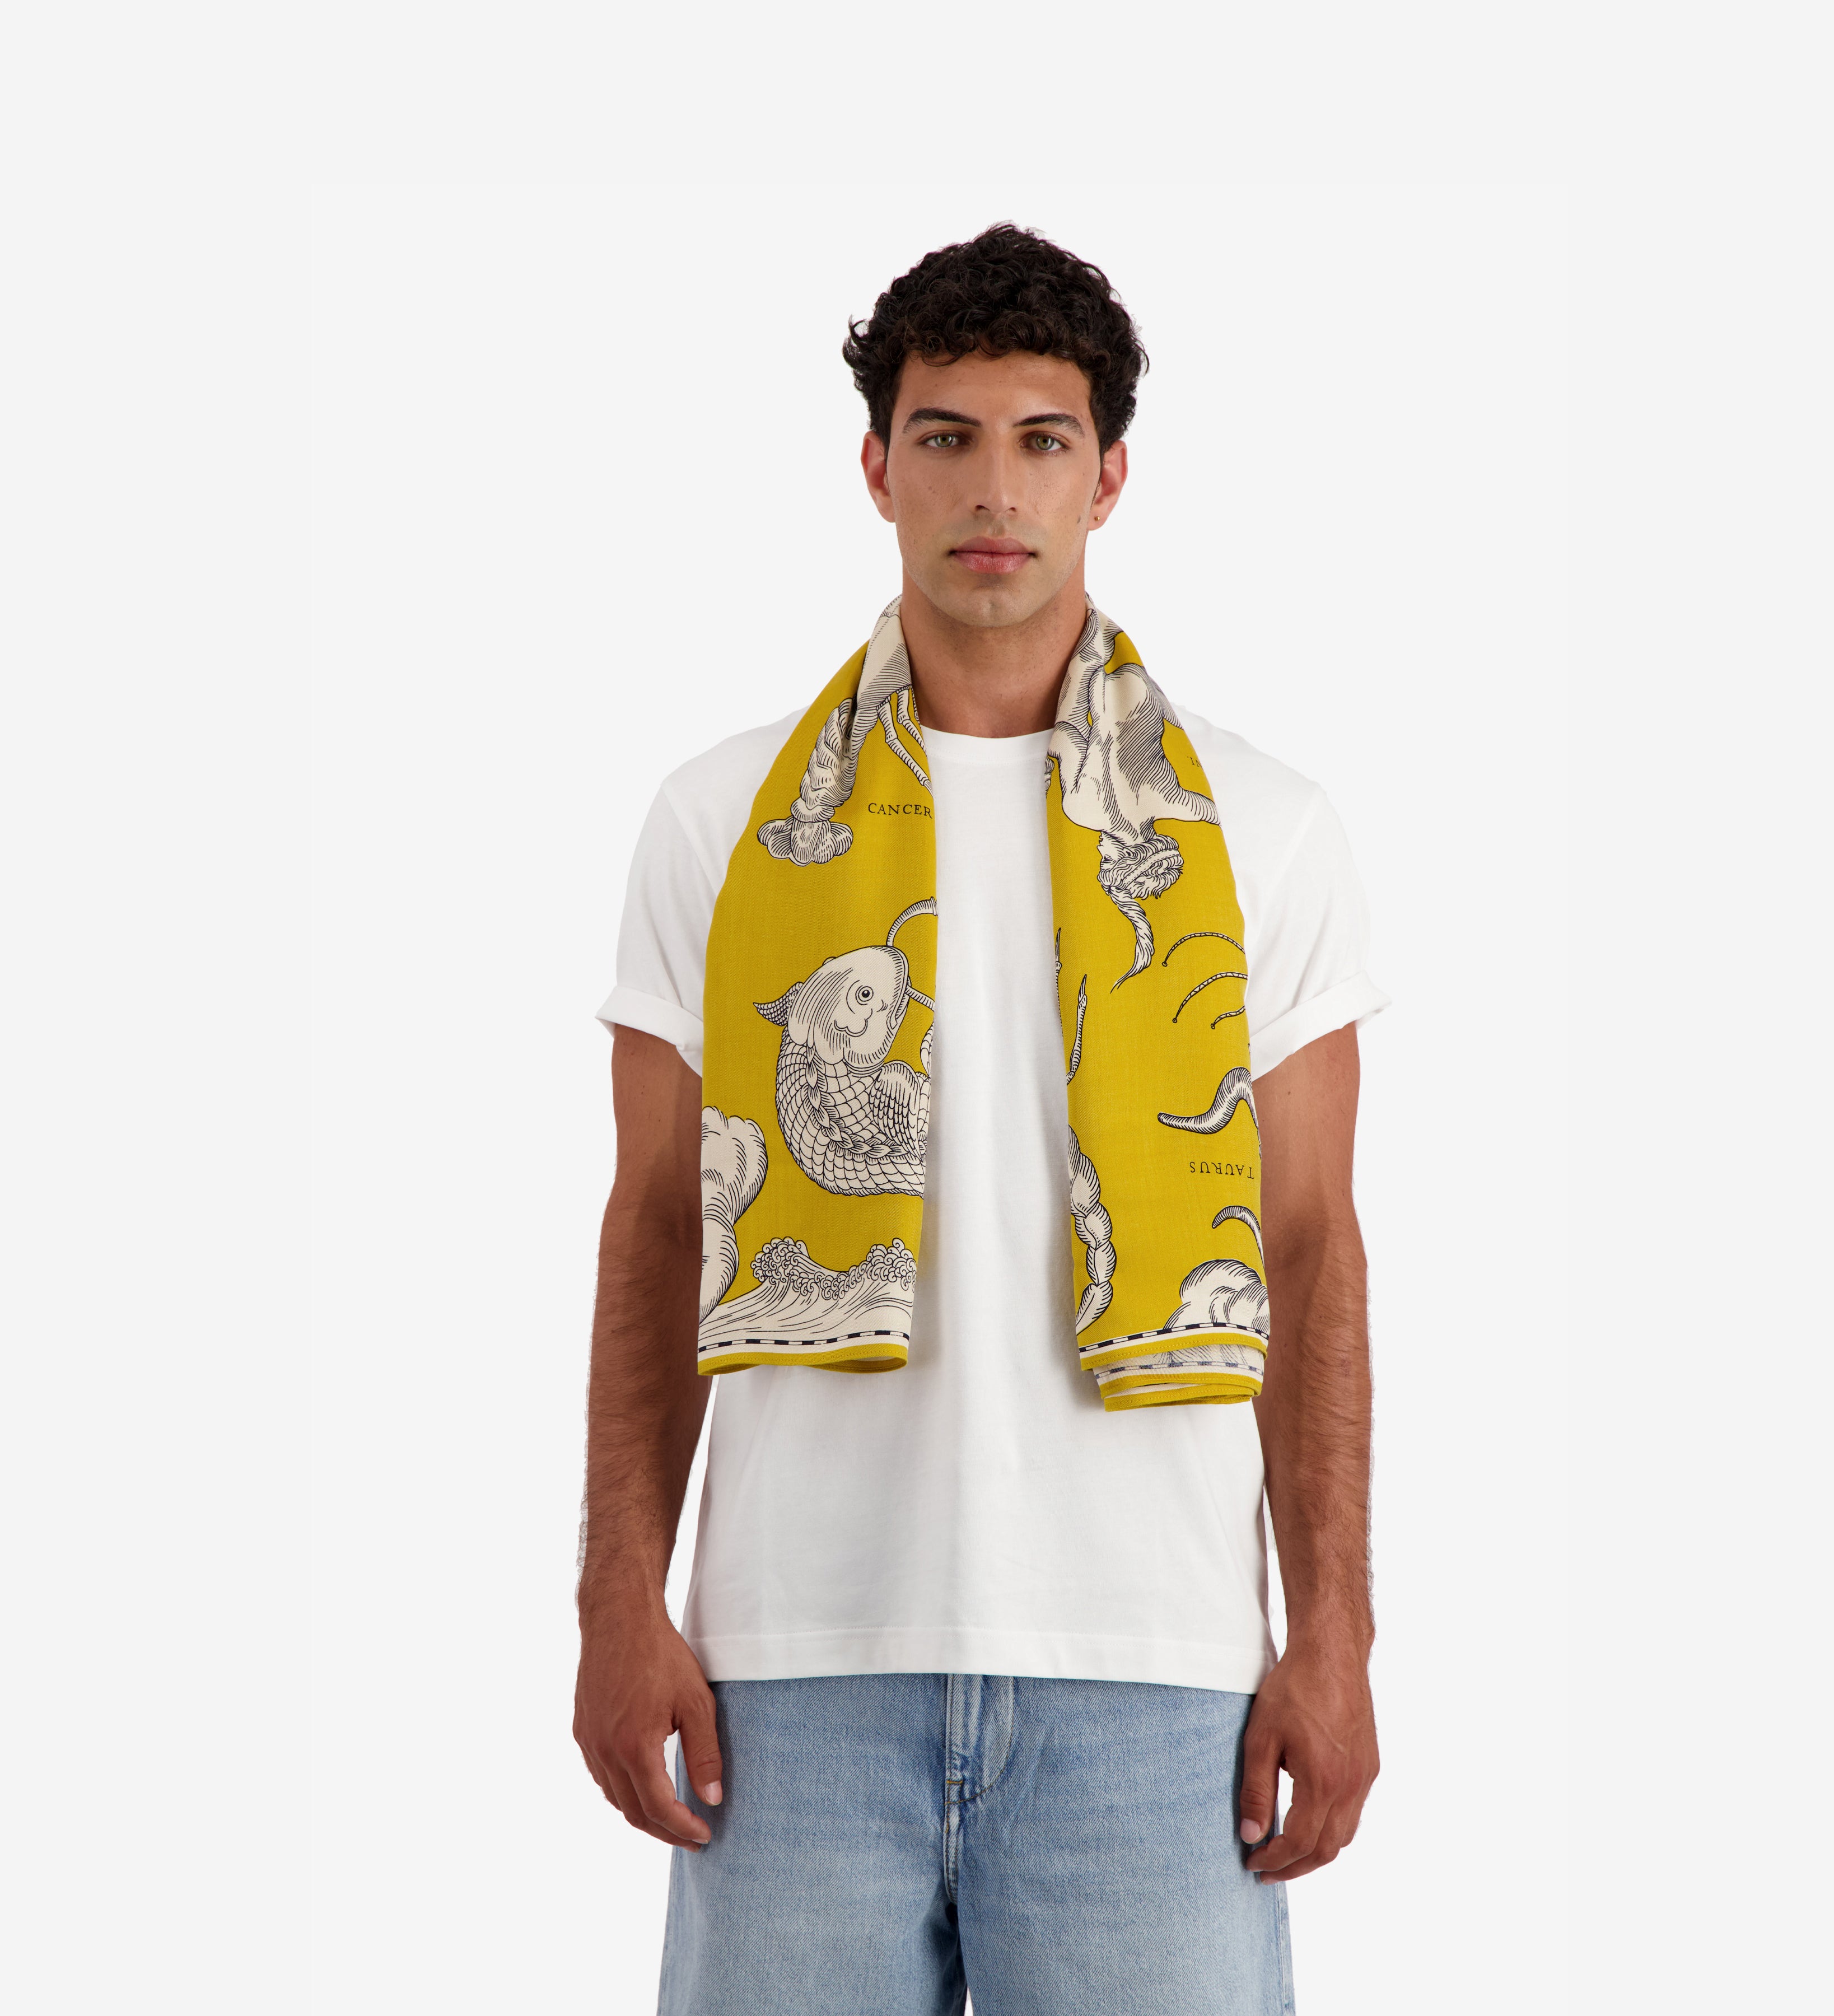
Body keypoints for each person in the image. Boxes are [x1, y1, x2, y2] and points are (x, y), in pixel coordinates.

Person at [575, 223, 1387, 2016]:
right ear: (879, 468)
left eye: (1041, 440)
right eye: (946, 437)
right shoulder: (722, 822)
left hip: (1156, 1675)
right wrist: (617, 1603)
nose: (995, 490)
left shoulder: (1266, 829)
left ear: (1110, 475)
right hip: (794, 1675)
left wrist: (1333, 1632)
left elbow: (1309, 1245)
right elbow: (655, 1223)